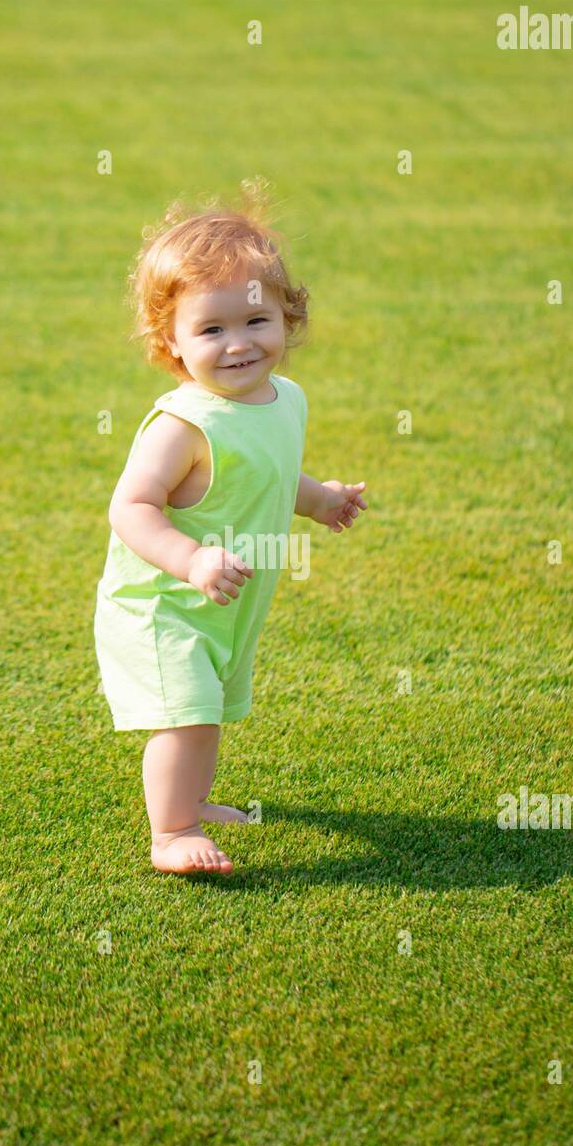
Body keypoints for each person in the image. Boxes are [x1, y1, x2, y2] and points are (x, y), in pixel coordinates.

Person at [94, 183, 367, 875]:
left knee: (207, 709)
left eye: (255, 323)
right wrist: (189, 561)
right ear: (173, 344)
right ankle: (172, 832)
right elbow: (131, 507)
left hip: (225, 602)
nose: (239, 345)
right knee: (186, 715)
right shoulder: (183, 424)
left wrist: (321, 499)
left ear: (287, 316)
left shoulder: (285, 400)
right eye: (211, 331)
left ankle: (192, 799)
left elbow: (266, 476)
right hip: (165, 604)